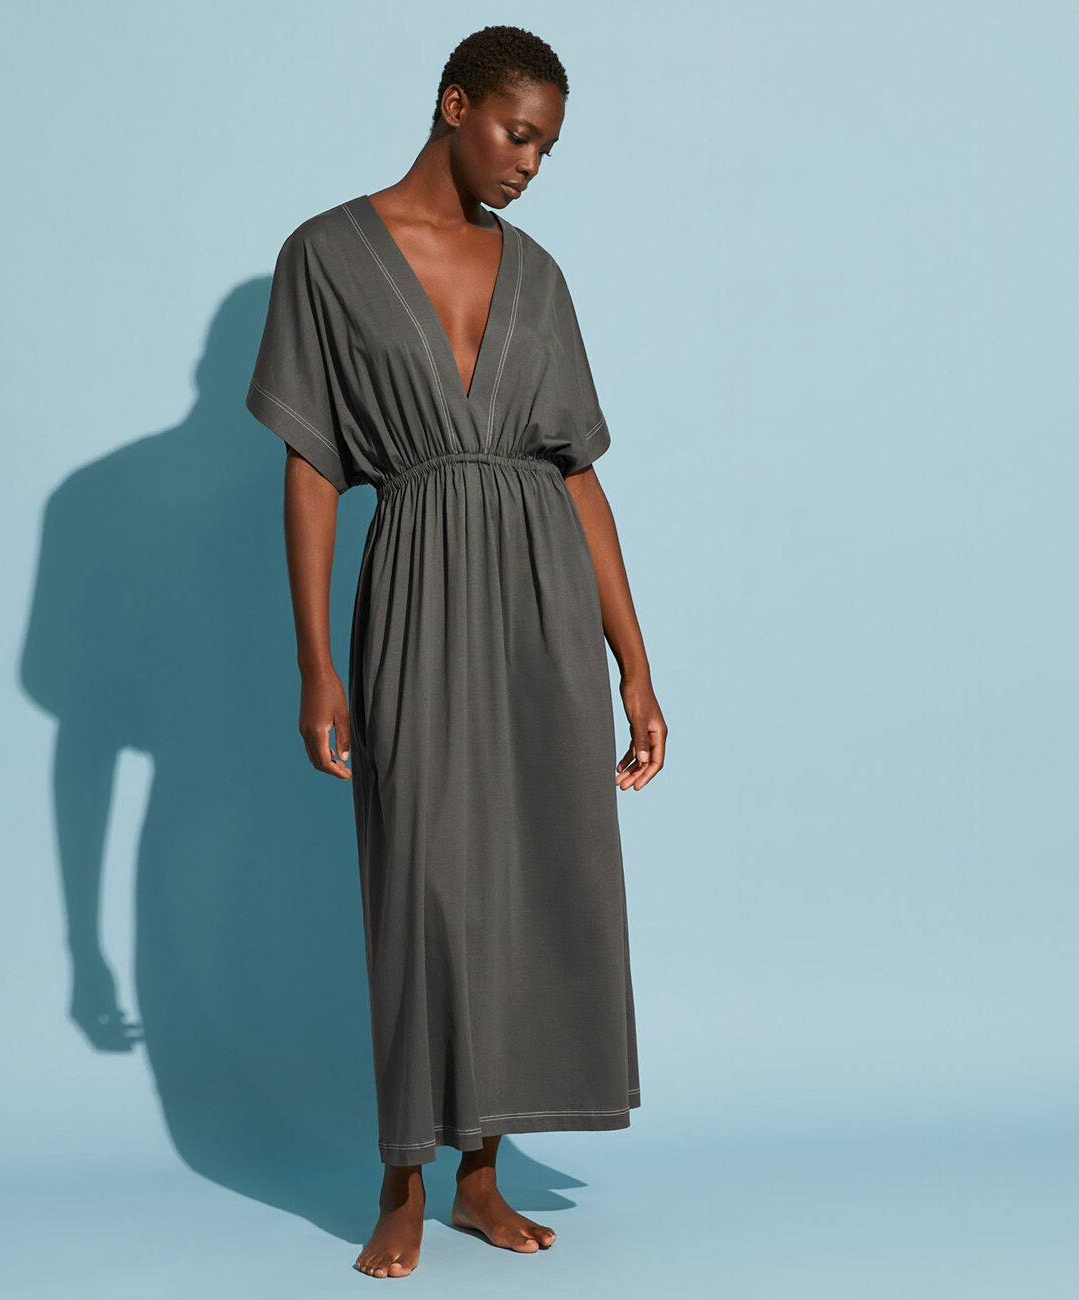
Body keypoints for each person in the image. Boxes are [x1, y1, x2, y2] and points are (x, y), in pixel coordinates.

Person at [245, 25, 667, 1279]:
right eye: (516, 133)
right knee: (423, 878)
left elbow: (577, 478)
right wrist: (315, 662)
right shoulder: (326, 256)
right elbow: (312, 466)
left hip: (543, 602)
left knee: (531, 879)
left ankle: (482, 1177)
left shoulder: (538, 274)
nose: (529, 162)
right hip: (419, 589)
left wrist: (636, 664)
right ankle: (404, 1177)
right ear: (453, 105)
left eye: (547, 147)